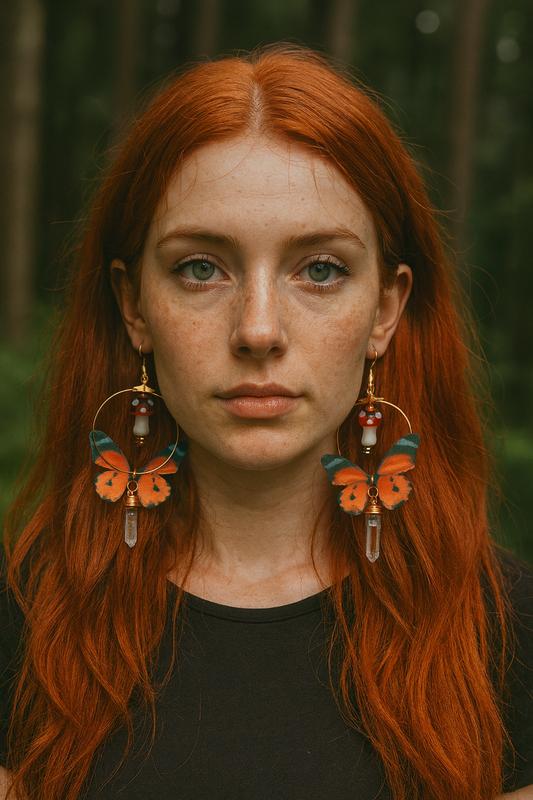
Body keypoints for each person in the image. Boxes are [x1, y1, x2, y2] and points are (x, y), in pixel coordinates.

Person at [1, 45, 532, 800]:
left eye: (319, 270)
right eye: (200, 268)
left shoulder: (507, 635)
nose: (257, 329)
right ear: (132, 307)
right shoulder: (20, 620)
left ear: (385, 309)